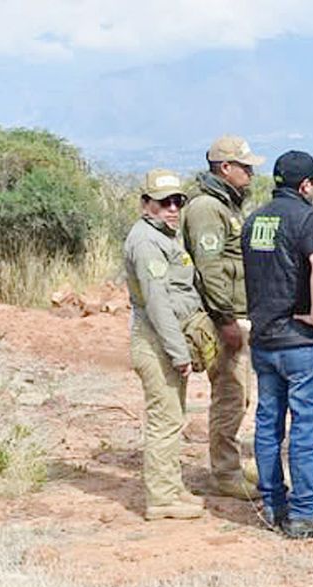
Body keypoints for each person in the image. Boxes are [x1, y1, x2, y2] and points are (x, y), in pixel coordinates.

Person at [241, 150, 313, 539]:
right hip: (299, 342)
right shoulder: (306, 218)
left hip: (264, 340)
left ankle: (272, 505)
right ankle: (304, 513)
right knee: (305, 428)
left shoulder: (254, 221)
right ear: (305, 185)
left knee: (268, 424)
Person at [181, 135, 263, 499]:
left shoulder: (226, 205)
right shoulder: (206, 209)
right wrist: (226, 319)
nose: (250, 173)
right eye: (244, 166)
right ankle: (224, 474)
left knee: (238, 394)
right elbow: (209, 269)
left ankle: (229, 466)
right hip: (222, 317)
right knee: (230, 394)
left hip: (238, 312)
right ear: (224, 167)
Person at [125, 169, 206, 521]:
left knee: (174, 416)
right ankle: (160, 498)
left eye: (178, 201)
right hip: (156, 341)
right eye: (164, 203)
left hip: (167, 337)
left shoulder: (164, 236)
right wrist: (179, 353)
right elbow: (157, 303)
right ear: (146, 204)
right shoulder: (146, 243)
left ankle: (172, 488)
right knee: (164, 419)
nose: (173, 209)